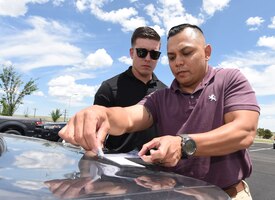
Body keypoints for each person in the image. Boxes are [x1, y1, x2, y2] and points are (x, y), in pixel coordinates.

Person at [59, 23, 260, 200]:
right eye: (171, 57)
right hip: (174, 194)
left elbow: (244, 131)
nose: (178, 62)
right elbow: (129, 116)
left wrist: (183, 144)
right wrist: (101, 113)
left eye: (186, 53)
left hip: (228, 193)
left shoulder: (229, 80)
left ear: (207, 52)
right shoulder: (160, 96)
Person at [93, 26, 167, 153]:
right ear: (132, 53)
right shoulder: (109, 88)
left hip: (155, 168)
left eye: (154, 54)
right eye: (142, 52)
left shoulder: (165, 92)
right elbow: (95, 136)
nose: (148, 58)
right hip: (115, 167)